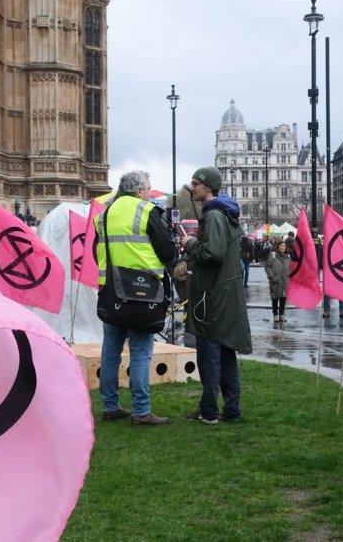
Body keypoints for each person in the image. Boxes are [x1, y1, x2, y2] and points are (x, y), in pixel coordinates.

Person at [96, 171, 175, 426]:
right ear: (139, 190)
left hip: (111, 291)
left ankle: (110, 406)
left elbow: (96, 250)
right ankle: (141, 411)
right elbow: (166, 250)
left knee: (110, 352)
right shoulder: (146, 210)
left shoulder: (105, 214)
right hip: (144, 292)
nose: (150, 192)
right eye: (148, 188)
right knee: (140, 352)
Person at [180, 167, 252, 425]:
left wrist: (190, 244)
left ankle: (209, 411)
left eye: (196, 184)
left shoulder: (213, 216)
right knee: (225, 353)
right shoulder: (225, 212)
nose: (193, 188)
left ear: (208, 187)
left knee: (210, 356)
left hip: (212, 296)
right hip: (224, 293)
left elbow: (213, 253)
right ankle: (232, 409)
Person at [315, 236, 343, 319]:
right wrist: (318, 271)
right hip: (327, 273)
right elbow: (319, 261)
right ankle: (326, 310)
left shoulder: (337, 248)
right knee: (327, 293)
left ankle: (342, 310)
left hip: (337, 273)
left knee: (340, 292)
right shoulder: (322, 249)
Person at [265, 241, 290, 323]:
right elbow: (267, 267)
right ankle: (275, 314)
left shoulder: (288, 257)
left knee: (283, 299)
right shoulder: (273, 255)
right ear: (278, 246)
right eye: (281, 246)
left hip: (285, 281)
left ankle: (281, 314)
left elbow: (291, 267)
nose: (282, 248)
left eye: (284, 246)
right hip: (275, 281)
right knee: (275, 298)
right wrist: (271, 277)